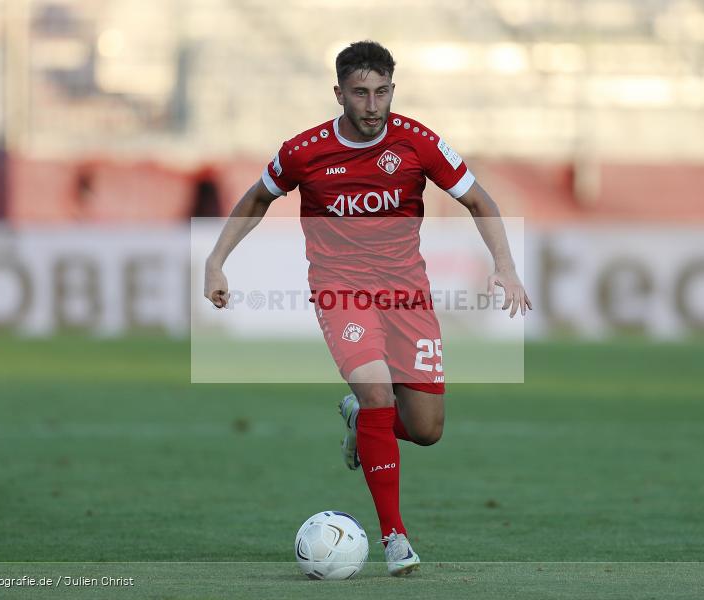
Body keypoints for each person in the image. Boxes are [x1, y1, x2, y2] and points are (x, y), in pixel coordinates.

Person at [204, 40, 531, 576]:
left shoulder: (417, 142)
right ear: (339, 93)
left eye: (382, 92)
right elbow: (257, 198)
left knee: (425, 428)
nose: (373, 104)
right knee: (379, 390)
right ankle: (395, 538)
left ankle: (363, 419)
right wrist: (216, 261)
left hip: (408, 295)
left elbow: (479, 200)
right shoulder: (304, 151)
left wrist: (505, 265)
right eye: (360, 93)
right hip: (341, 292)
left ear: (393, 91)